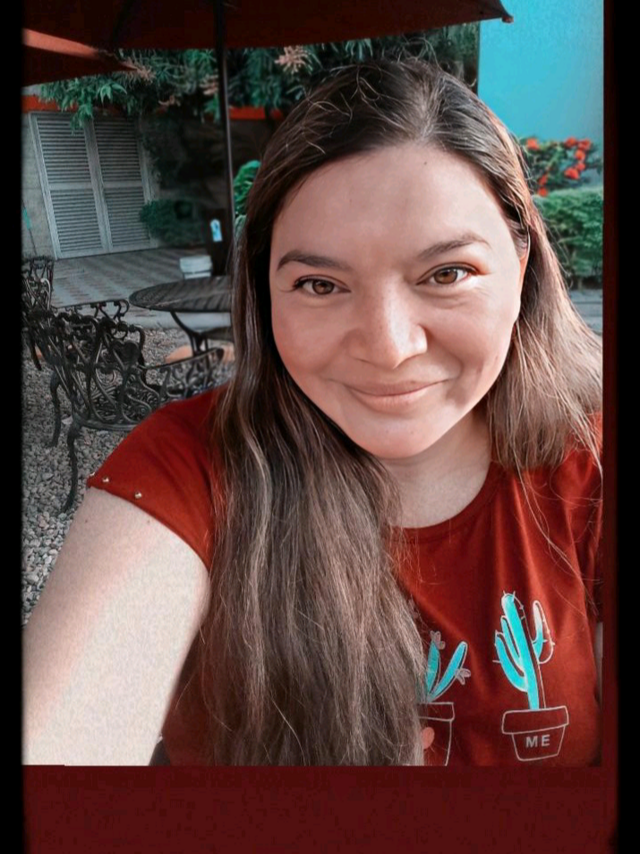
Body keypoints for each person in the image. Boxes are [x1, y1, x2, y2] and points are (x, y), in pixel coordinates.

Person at [23, 57, 603, 767]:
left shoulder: (593, 456)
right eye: (321, 284)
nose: (388, 348)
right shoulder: (190, 469)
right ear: (265, 292)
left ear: (521, 268)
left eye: (447, 273)